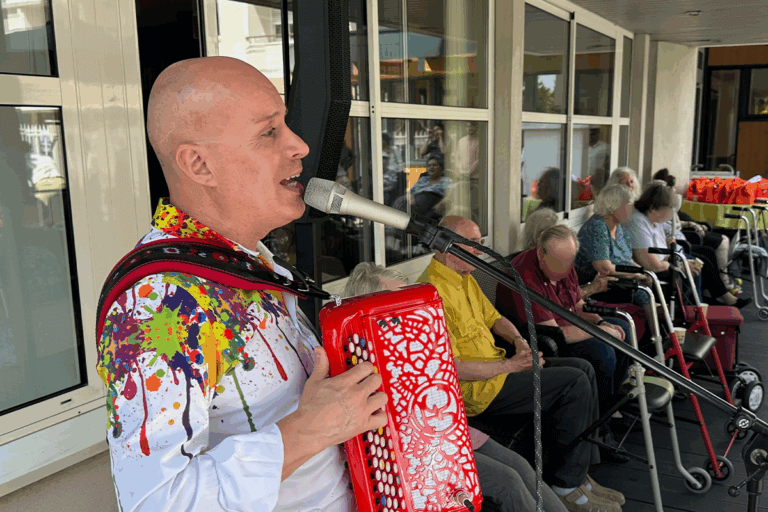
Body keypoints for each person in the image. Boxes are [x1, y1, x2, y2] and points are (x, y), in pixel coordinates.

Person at [96, 57, 387, 511]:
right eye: (269, 132)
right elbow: (160, 503)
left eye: (285, 125)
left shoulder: (248, 263)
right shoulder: (160, 306)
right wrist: (312, 429)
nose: (299, 146)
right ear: (199, 165)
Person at [418, 216, 625, 512]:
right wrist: (512, 366)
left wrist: (519, 342)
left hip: (502, 367)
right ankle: (566, 483)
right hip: (479, 391)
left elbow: (495, 319)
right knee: (573, 382)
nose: (480, 248)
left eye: (480, 241)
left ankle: (579, 476)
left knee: (584, 369)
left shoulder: (465, 279)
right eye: (472, 242)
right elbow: (450, 367)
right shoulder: (430, 293)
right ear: (445, 246)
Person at [344, 262, 568, 512]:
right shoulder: (360, 357)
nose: (413, 311)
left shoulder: (415, 340)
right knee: (508, 482)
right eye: (401, 303)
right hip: (415, 455)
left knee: (521, 465)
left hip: (447, 429)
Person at [499, 224, 631, 425]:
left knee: (623, 328)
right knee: (602, 351)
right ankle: (598, 425)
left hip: (568, 325)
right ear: (541, 254)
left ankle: (608, 407)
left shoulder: (564, 262)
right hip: (544, 340)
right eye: (558, 263)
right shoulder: (524, 276)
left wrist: (601, 322)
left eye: (568, 262)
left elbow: (579, 307)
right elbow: (556, 334)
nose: (564, 270)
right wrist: (600, 331)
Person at [628, 181, 749, 308]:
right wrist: (680, 266)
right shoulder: (638, 222)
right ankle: (695, 308)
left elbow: (658, 246)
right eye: (668, 209)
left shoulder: (652, 218)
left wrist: (669, 246)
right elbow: (651, 264)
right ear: (653, 208)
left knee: (698, 263)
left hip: (665, 259)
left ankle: (701, 304)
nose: (670, 214)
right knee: (692, 267)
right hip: (655, 268)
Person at [652, 168, 739, 296]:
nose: (676, 191)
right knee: (705, 257)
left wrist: (689, 223)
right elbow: (668, 227)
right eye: (673, 188)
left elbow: (670, 225)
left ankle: (713, 292)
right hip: (677, 244)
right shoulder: (658, 212)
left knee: (707, 253)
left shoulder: (666, 208)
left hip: (679, 241)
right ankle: (718, 293)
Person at [575, 184, 653, 308]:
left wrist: (642, 271)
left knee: (653, 283)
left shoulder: (619, 228)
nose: (631, 210)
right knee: (642, 294)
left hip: (618, 280)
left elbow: (628, 260)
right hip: (597, 285)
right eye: (628, 206)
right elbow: (604, 267)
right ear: (613, 208)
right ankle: (653, 327)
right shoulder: (597, 227)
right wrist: (635, 275)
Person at [524, 208, 615, 301]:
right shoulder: (536, 265)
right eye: (557, 232)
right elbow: (562, 303)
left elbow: (570, 291)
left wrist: (593, 285)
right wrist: (592, 288)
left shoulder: (557, 257)